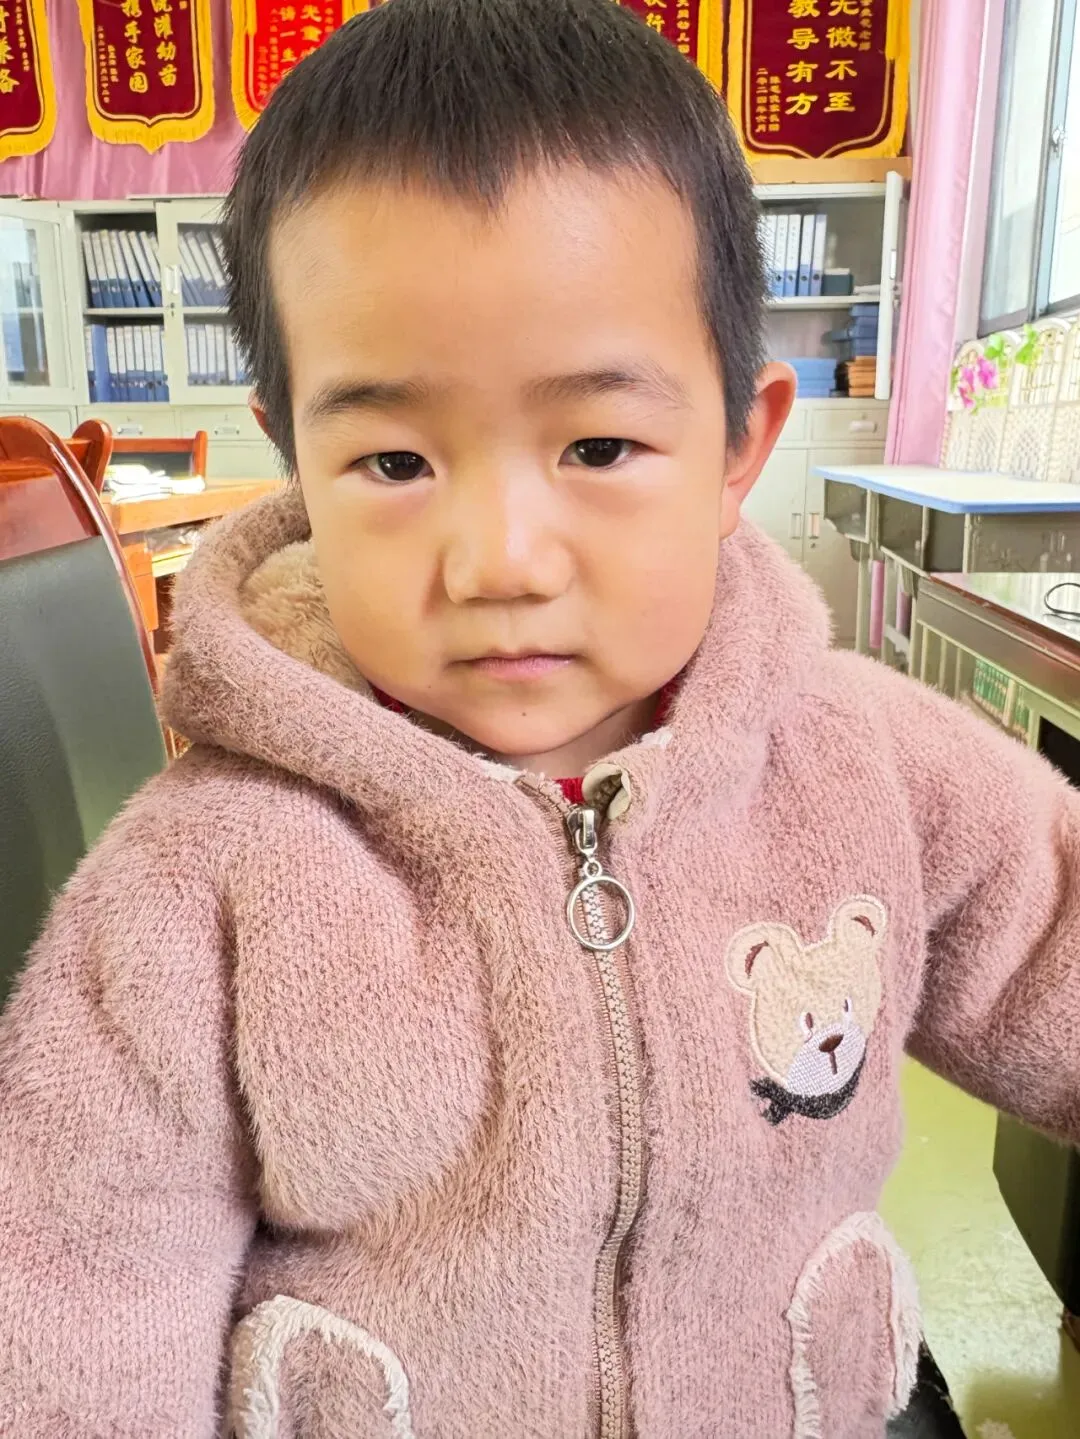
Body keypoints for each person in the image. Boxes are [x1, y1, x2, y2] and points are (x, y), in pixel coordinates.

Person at [2, 0, 1079, 1434]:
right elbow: (78, 1302)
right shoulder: (199, 887)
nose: (501, 560)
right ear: (296, 456)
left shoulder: (865, 761)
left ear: (738, 445)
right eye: (395, 461)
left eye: (598, 444)